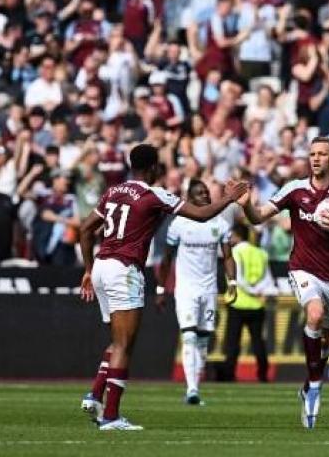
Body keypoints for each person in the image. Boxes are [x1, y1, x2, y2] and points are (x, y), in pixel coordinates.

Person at [78, 144, 247, 431]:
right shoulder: (154, 194)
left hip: (102, 266)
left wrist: (87, 269)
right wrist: (230, 198)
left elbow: (84, 229)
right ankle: (111, 416)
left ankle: (95, 395)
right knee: (125, 344)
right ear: (155, 167)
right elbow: (203, 214)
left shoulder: (113, 191)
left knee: (117, 338)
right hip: (124, 269)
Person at [238, 136, 329, 429]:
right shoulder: (295, 189)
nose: (315, 158)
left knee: (325, 341)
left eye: (322, 154)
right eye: (312, 153)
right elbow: (258, 218)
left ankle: (308, 384)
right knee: (314, 314)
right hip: (303, 268)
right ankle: (314, 388)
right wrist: (247, 206)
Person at [157, 179, 236, 405]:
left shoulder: (220, 224)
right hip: (186, 290)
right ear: (190, 199)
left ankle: (196, 387)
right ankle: (191, 389)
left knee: (203, 340)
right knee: (189, 336)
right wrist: (162, 288)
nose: (205, 196)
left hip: (209, 290)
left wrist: (232, 283)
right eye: (199, 194)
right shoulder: (179, 224)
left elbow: (228, 256)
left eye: (206, 193)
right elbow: (166, 259)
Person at [224, 223, 275, 383]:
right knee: (258, 342)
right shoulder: (261, 253)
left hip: (237, 302)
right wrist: (259, 292)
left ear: (238, 235)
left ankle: (229, 374)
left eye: (232, 235)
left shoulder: (235, 251)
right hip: (257, 305)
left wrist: (251, 291)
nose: (230, 238)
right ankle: (263, 374)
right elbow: (268, 279)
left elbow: (237, 278)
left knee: (233, 342)